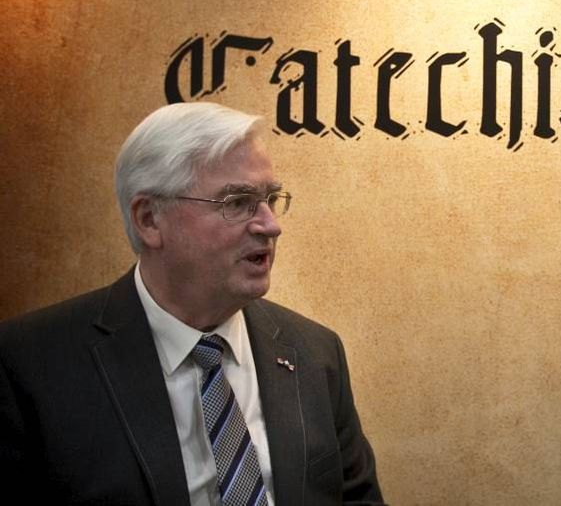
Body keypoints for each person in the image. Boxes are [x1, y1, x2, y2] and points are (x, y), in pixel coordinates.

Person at [0, 102, 384, 505]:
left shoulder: (314, 351)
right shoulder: (28, 366)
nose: (271, 225)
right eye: (237, 202)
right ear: (150, 219)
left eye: (271, 198)